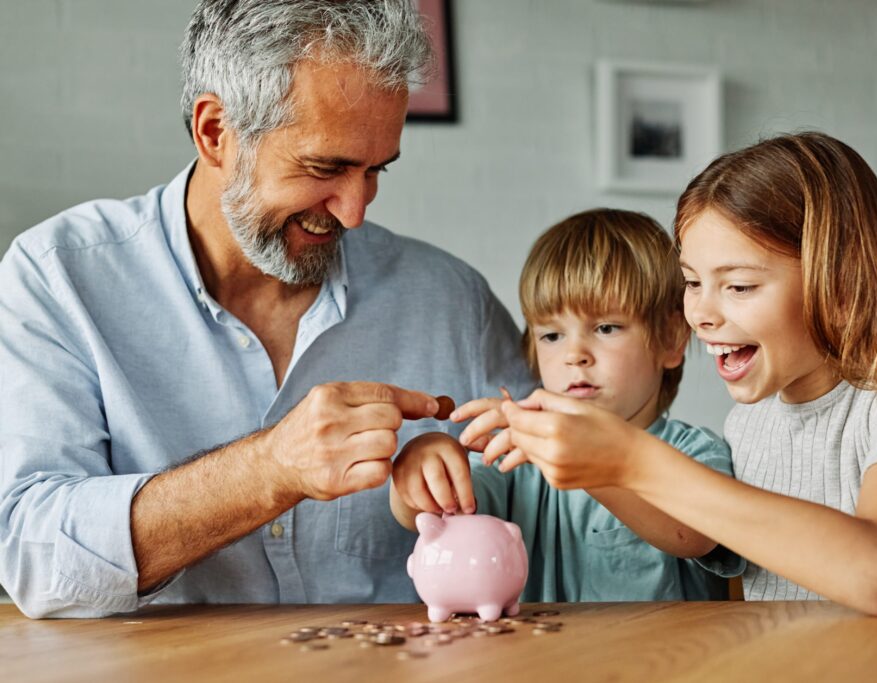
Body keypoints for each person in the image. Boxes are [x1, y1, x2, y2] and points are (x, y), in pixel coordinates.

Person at [0, 0, 533, 618]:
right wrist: (270, 469)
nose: (355, 212)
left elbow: (557, 504)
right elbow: (30, 555)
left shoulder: (449, 299)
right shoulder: (57, 277)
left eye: (375, 170)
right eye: (324, 167)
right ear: (215, 132)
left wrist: (460, 487)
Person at [471, 133, 877, 613]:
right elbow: (692, 533)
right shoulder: (751, 424)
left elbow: (876, 572)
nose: (702, 313)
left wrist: (630, 458)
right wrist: (587, 457)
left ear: (840, 284)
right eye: (692, 282)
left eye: (739, 286)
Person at [390, 209, 744, 601]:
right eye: (552, 335)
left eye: (606, 328)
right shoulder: (517, 459)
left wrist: (588, 464)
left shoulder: (696, 453)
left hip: (673, 663)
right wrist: (419, 469)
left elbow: (692, 534)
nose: (575, 354)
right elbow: (435, 513)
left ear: (671, 340)